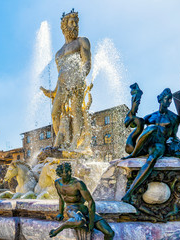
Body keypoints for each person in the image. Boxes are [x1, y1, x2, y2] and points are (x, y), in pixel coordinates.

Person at [40, 9, 91, 150]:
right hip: (63, 84)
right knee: (54, 113)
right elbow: (60, 74)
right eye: (71, 22)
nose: (74, 25)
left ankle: (75, 142)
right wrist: (53, 91)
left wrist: (80, 77)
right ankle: (62, 143)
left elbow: (87, 63)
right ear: (64, 26)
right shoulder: (58, 53)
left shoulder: (82, 41)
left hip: (77, 80)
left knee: (76, 110)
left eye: (76, 22)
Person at [121, 88, 180, 203]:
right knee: (152, 128)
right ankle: (133, 153)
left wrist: (178, 146)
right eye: (166, 99)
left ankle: (129, 192)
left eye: (170, 100)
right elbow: (130, 124)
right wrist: (134, 104)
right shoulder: (150, 117)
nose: (168, 102)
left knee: (152, 158)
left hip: (159, 144)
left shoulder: (173, 118)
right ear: (160, 99)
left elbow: (173, 136)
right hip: (145, 143)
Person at [49, 162, 114, 240]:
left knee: (110, 233)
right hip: (72, 209)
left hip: (85, 210)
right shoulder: (57, 183)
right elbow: (61, 198)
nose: (69, 173)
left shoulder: (78, 183)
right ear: (60, 174)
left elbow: (90, 202)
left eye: (69, 171)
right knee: (79, 221)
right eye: (66, 172)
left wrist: (91, 221)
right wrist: (60, 213)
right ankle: (57, 230)